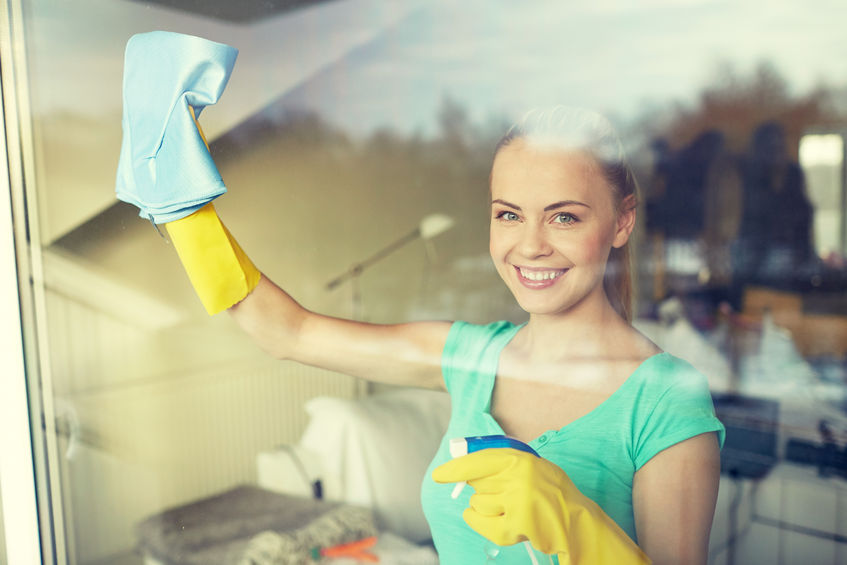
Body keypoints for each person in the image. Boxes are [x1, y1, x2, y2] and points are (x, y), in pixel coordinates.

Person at [118, 33, 724, 565]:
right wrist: (185, 211)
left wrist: (573, 520)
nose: (529, 245)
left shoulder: (665, 400)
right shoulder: (467, 356)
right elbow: (289, 332)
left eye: (563, 217)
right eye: (509, 215)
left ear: (621, 223)